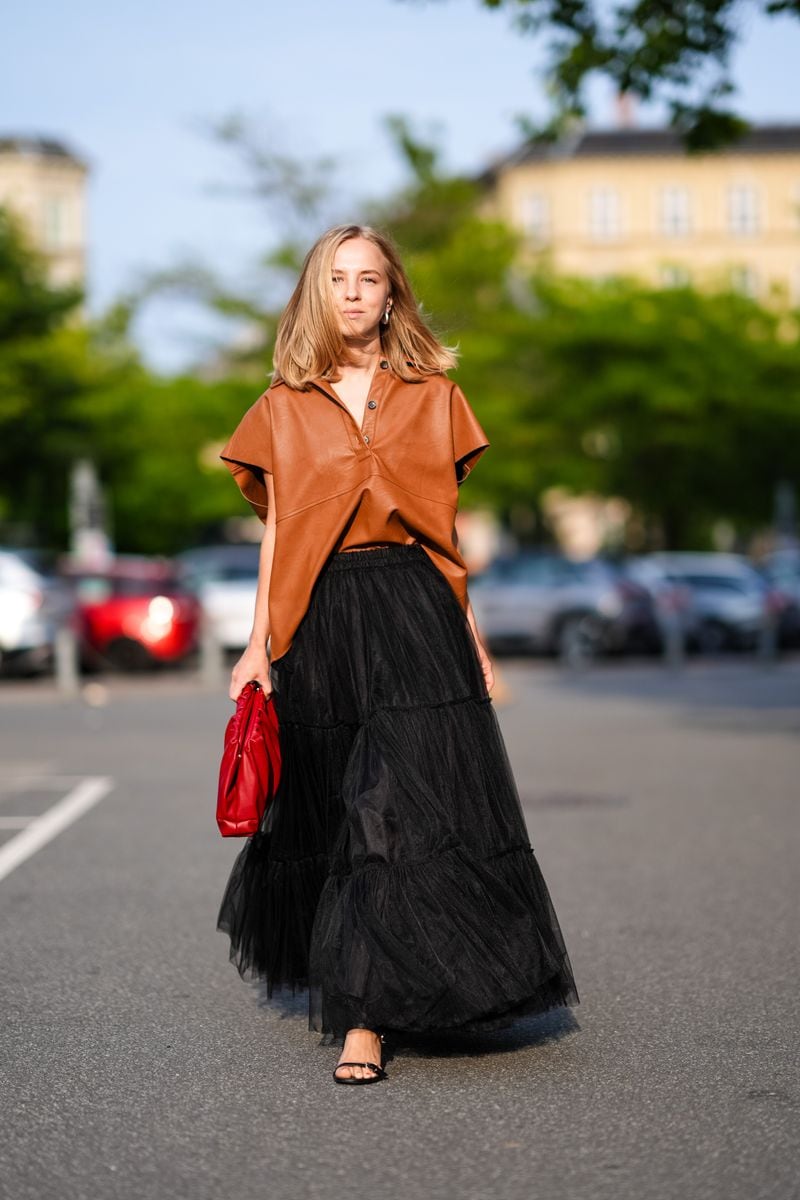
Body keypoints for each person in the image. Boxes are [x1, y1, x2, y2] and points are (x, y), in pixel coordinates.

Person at [217, 223, 579, 1086]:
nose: (352, 291)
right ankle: (376, 990)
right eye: (336, 277)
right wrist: (256, 645)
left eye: (369, 278)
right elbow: (279, 535)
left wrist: (473, 637)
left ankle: (365, 1022)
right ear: (317, 292)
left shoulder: (434, 396)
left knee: (396, 810)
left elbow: (444, 540)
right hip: (324, 623)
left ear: (392, 295)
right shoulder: (280, 406)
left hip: (414, 613)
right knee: (347, 809)